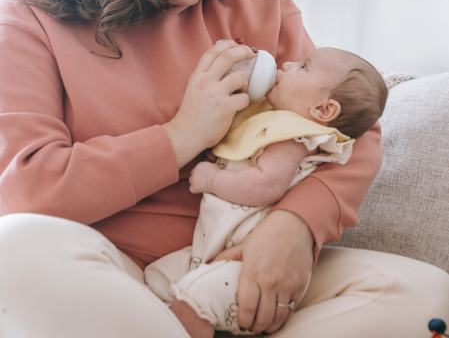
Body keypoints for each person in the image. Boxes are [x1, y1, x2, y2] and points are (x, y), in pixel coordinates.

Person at [0, 0, 448, 338]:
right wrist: (183, 135)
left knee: (425, 296)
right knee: (15, 247)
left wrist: (296, 225)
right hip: (103, 268)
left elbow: (352, 128)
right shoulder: (27, 18)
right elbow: (27, 188)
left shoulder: (264, 13)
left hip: (238, 262)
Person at [145, 46, 389, 336]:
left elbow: (264, 185)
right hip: (209, 252)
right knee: (156, 277)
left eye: (302, 67)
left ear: (323, 110)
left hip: (247, 262)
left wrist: (211, 179)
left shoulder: (292, 138)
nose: (286, 64)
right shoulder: (271, 124)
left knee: (193, 300)